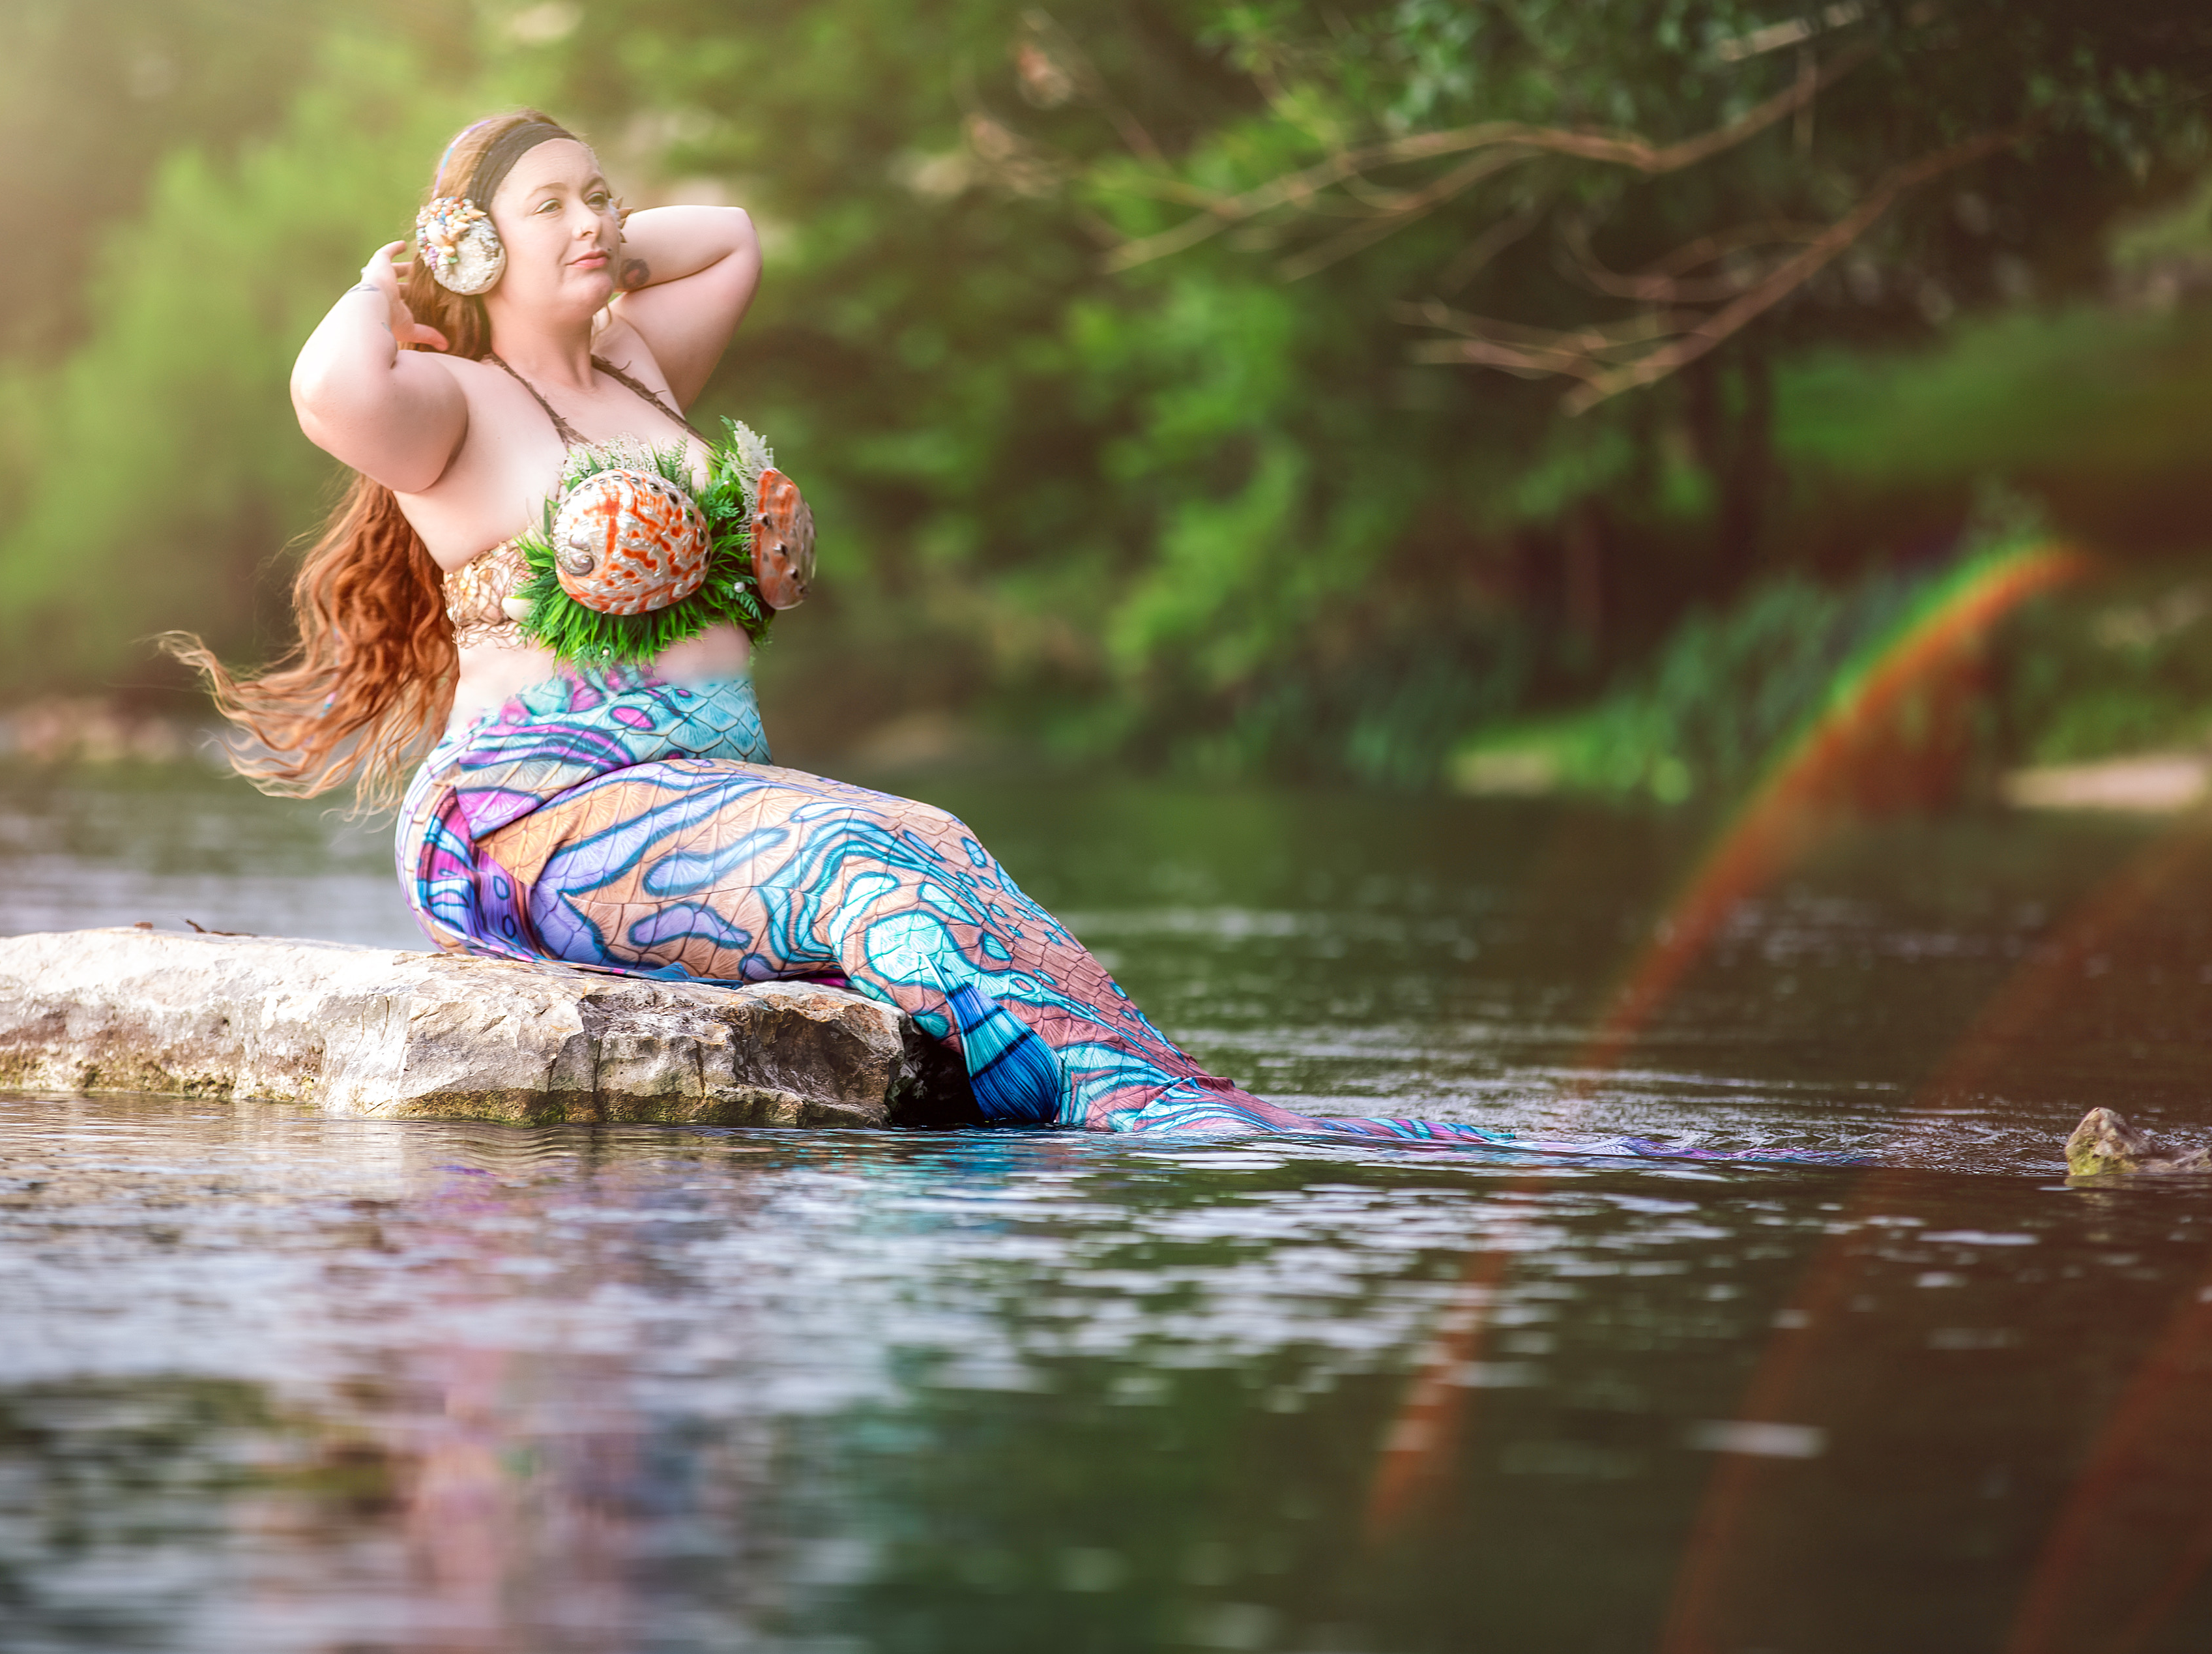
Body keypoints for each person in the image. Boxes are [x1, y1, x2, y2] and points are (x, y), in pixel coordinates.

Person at [178, 108, 1848, 1161]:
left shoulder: (642, 373)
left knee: (930, 834)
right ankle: (1119, 1117)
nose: (604, 222)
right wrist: (423, 255)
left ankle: (1170, 1096)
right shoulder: (456, 412)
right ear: (481, 243)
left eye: (603, 192)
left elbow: (734, 229)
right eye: (558, 206)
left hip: (709, 795)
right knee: (865, 870)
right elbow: (329, 382)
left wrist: (581, 242)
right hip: (535, 813)